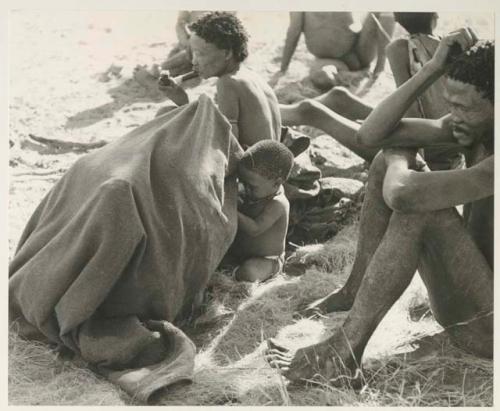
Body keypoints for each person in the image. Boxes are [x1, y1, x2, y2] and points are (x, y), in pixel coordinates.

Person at [266, 30, 494, 384]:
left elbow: (404, 195)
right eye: (450, 103)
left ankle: (343, 351)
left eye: (464, 107)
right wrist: (429, 70)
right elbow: (370, 135)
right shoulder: (474, 128)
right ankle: (354, 289)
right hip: (472, 302)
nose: (453, 115)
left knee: (418, 204)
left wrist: (401, 155)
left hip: (487, 328)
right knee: (385, 162)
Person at [136, 12, 282, 149]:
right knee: (170, 112)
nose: (194, 61)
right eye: (193, 54)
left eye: (200, 54)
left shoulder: (227, 82)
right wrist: (182, 100)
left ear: (226, 53)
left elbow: (228, 147)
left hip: (253, 170)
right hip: (270, 164)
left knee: (166, 117)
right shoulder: (251, 76)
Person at [386, 12, 463, 170]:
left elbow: (409, 109)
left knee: (370, 128)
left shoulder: (399, 47)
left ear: (397, 20)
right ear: (435, 16)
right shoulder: (450, 43)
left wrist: (421, 166)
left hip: (431, 145)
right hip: (459, 140)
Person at [277, 12, 395, 89]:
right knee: (323, 78)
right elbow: (293, 32)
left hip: (358, 53)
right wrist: (283, 67)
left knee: (384, 9)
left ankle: (380, 68)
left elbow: (355, 24)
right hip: (328, 59)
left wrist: (283, 68)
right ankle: (377, 70)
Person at [229, 140, 294, 282]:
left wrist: (231, 210)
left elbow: (255, 229)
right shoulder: (259, 192)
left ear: (276, 183)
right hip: (243, 254)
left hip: (266, 260)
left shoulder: (278, 204)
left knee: (248, 272)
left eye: (251, 186)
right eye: (243, 183)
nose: (246, 189)